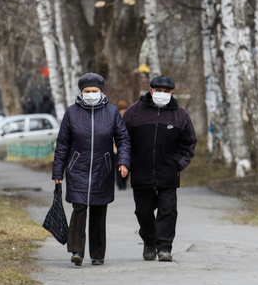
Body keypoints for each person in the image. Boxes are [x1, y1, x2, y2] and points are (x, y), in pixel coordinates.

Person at [52, 73, 130, 266]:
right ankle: (77, 251)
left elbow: (123, 140)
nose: (91, 94)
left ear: (101, 92)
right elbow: (62, 144)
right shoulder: (72, 113)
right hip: (77, 168)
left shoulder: (111, 113)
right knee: (79, 209)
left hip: (102, 169)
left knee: (98, 211)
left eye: (94, 91)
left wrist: (123, 161)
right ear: (81, 92)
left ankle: (97, 254)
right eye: (87, 91)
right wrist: (57, 172)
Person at [123, 75, 197, 262]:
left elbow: (189, 143)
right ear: (150, 91)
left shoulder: (180, 115)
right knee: (143, 211)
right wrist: (131, 161)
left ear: (172, 93)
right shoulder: (134, 112)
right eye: (158, 91)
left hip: (168, 173)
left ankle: (164, 248)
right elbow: (124, 140)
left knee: (168, 211)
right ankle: (149, 242)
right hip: (141, 172)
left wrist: (177, 163)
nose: (162, 94)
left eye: (166, 92)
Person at [115, 101, 130, 190]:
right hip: (115, 149)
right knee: (118, 167)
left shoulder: (128, 118)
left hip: (126, 148)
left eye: (124, 109)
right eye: (121, 109)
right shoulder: (116, 118)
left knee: (126, 165)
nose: (123, 111)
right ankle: (120, 183)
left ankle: (124, 182)